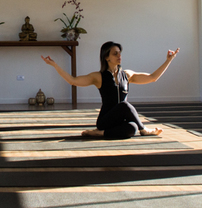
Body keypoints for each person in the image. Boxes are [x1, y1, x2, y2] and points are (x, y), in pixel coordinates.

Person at [41, 41, 178, 139]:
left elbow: (153, 77)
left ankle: (100, 134)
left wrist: (169, 60)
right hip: (105, 120)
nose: (119, 56)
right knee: (124, 105)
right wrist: (54, 65)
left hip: (121, 121)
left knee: (132, 129)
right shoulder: (98, 77)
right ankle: (145, 130)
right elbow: (73, 80)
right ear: (107, 57)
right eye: (115, 53)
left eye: (119, 53)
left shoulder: (127, 75)